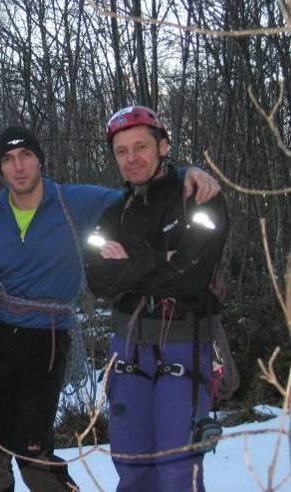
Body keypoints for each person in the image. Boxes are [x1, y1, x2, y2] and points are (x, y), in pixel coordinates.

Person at [0, 125, 220, 492]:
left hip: (47, 338)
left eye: (26, 156)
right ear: (0, 168)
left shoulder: (76, 202)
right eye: (8, 160)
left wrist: (184, 173)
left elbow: (142, 190)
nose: (19, 167)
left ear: (41, 160)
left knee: (34, 449)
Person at [85, 106, 228, 492]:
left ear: (163, 146)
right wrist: (159, 259)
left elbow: (192, 276)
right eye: (121, 151)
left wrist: (130, 266)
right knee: (132, 467)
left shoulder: (198, 197)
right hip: (128, 349)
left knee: (178, 468)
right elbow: (98, 278)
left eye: (141, 146)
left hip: (184, 342)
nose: (132, 158)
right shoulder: (113, 213)